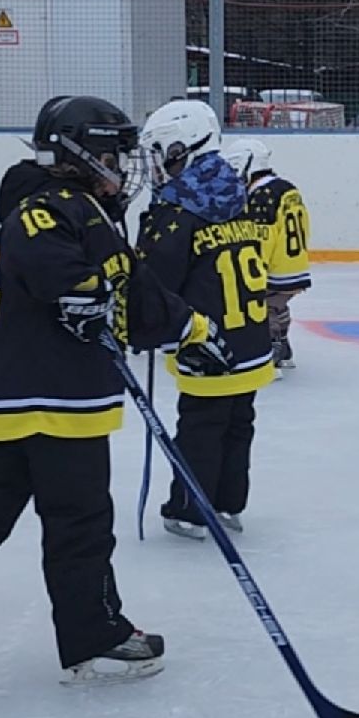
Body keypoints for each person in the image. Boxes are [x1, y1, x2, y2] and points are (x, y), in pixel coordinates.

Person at [0, 96, 231, 687]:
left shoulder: (81, 208)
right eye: (114, 154)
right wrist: (80, 294)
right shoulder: (49, 205)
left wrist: (193, 330)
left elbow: (135, 293)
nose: (124, 167)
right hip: (58, 399)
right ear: (80, 151)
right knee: (78, 523)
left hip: (13, 398)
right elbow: (55, 267)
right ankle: (93, 639)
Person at [138, 102, 277, 540]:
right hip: (252, 340)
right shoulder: (236, 195)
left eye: (162, 152)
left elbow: (156, 280)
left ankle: (189, 509)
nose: (158, 165)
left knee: (200, 426)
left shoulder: (179, 211)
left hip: (209, 344)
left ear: (183, 148)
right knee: (239, 423)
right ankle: (228, 502)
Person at [223, 138, 312, 372]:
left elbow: (263, 236)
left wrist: (252, 270)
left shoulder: (262, 196)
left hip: (275, 268)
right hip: (295, 265)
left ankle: (270, 353)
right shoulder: (286, 187)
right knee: (278, 304)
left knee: (262, 307)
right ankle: (283, 347)